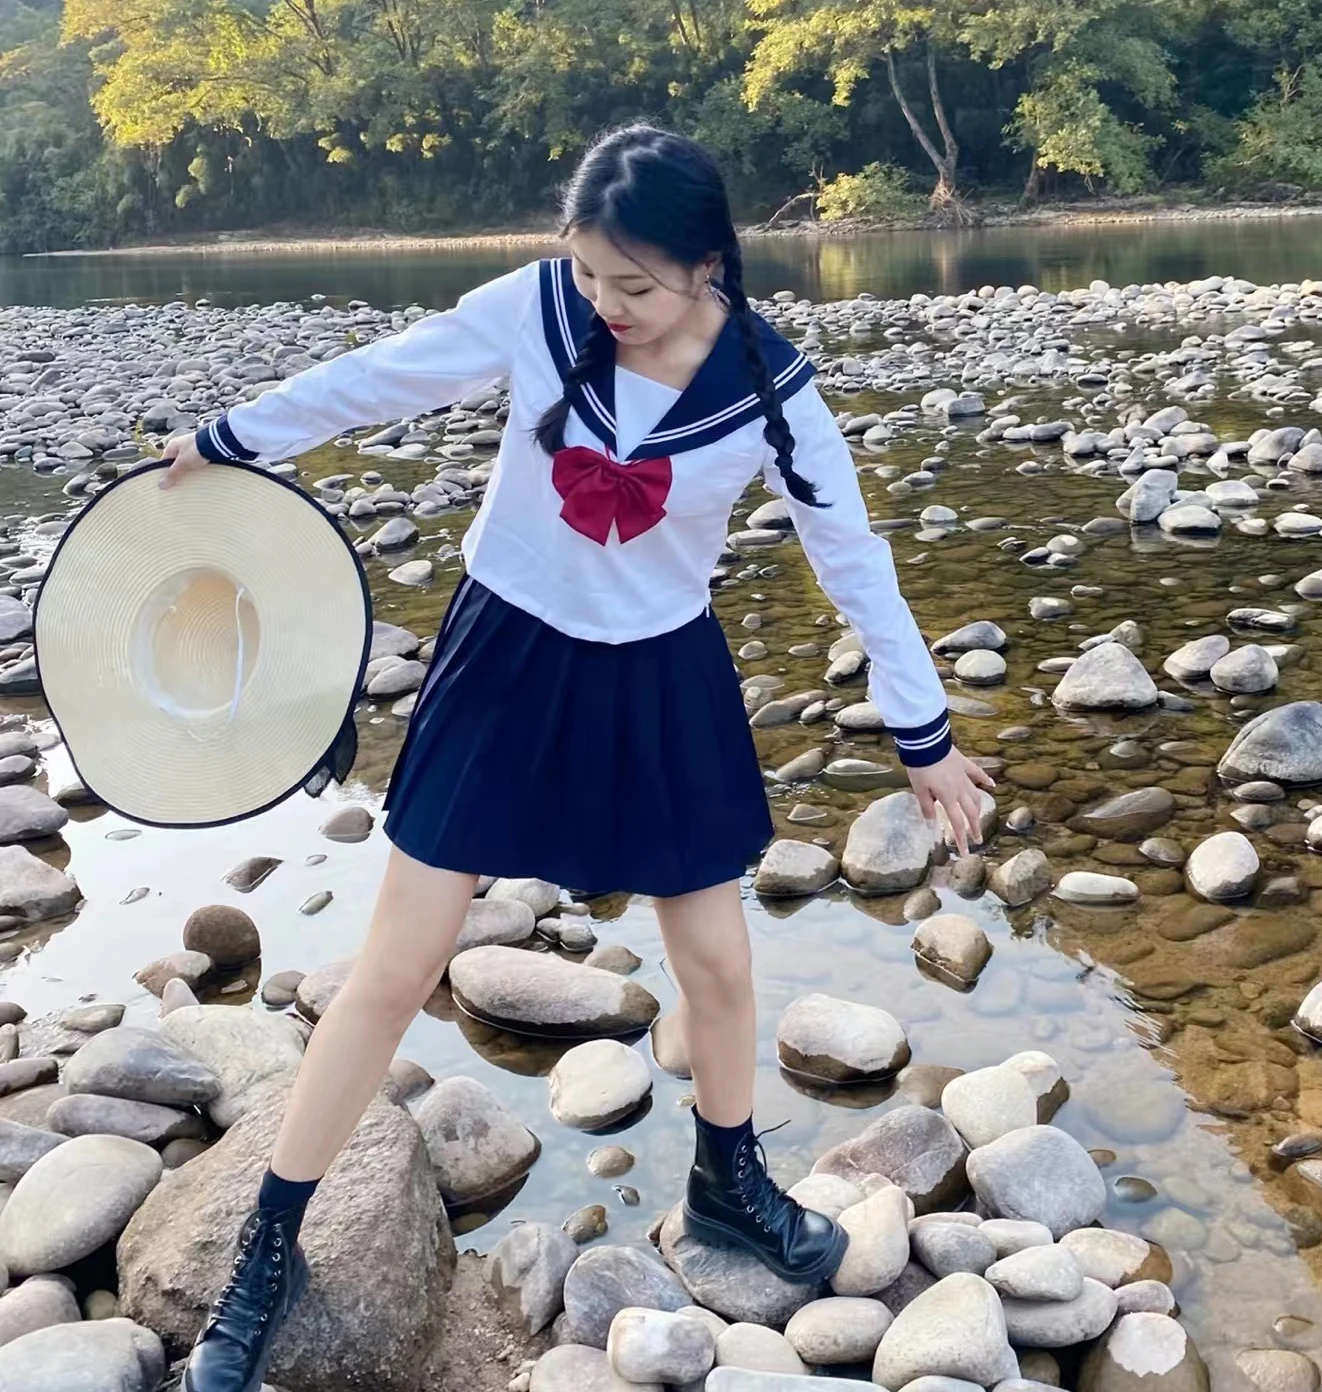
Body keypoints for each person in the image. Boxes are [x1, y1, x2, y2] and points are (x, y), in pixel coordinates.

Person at [160, 125, 993, 1392]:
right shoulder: (539, 307)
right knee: (392, 971)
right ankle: (269, 1248)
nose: (606, 304)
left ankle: (728, 1184)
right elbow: (387, 375)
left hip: (658, 676)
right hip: (508, 660)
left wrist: (923, 733)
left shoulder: (772, 385)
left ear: (711, 264)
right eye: (590, 274)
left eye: (637, 286)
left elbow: (856, 560)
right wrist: (231, 438)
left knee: (715, 958)